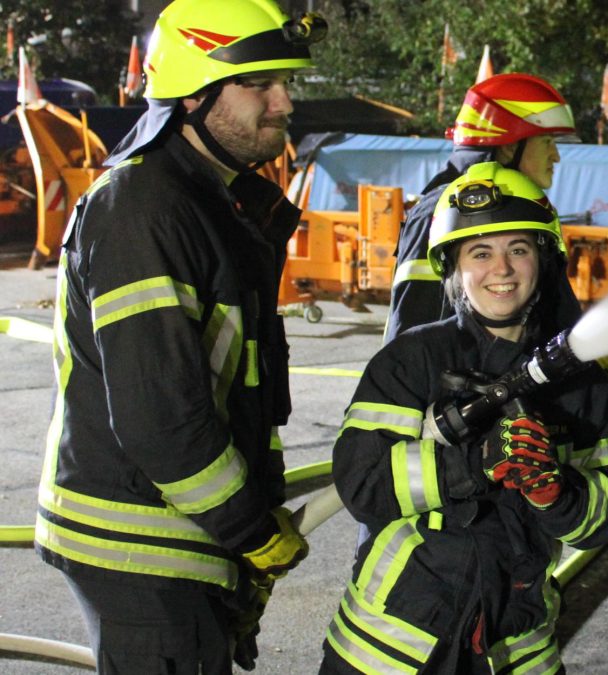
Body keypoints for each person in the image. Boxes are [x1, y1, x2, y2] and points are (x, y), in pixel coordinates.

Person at [34, 1, 326, 672]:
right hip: (141, 543)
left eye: (285, 80)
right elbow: (160, 415)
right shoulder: (144, 210)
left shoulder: (205, 201)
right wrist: (250, 530)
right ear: (193, 94)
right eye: (259, 83)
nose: (284, 101)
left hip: (180, 536)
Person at [321, 162, 608, 674]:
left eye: (519, 249)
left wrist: (555, 494)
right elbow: (361, 483)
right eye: (481, 253)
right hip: (393, 648)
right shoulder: (413, 359)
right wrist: (472, 467)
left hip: (518, 649)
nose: (502, 269)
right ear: (452, 267)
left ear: (543, 262)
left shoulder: (580, 382)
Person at [385, 73, 583, 343]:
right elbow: (411, 333)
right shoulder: (443, 213)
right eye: (547, 142)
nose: (556, 156)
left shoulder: (525, 210)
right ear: (510, 145)